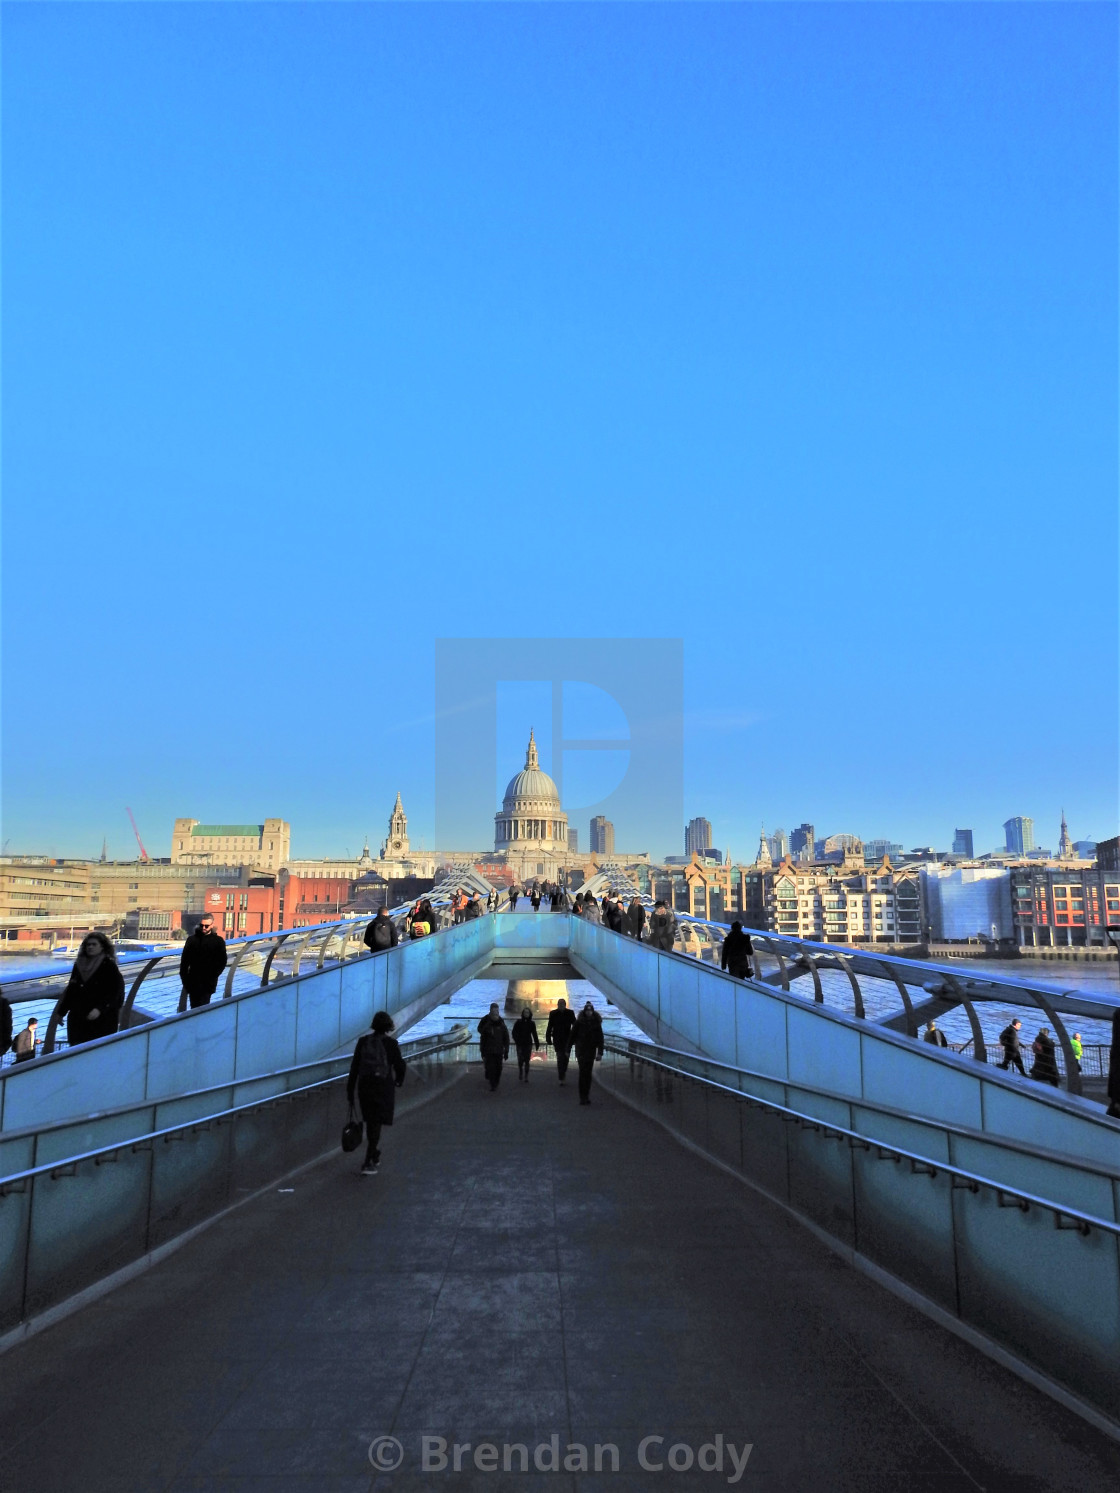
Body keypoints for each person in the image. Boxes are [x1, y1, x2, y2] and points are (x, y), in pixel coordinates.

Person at [346, 1011, 406, 1175]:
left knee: (370, 1121)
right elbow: (400, 1065)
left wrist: (350, 1090)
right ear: (389, 1026)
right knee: (376, 1124)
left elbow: (354, 1067)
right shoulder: (391, 1044)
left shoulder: (363, 1042)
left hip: (364, 1087)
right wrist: (398, 1081)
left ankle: (374, 1153)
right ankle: (367, 1162)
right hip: (383, 1087)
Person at [57, 932, 124, 1048]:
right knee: (76, 1049)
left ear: (102, 947)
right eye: (88, 945)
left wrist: (99, 1009)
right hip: (78, 1018)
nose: (90, 947)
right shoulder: (79, 965)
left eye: (94, 944)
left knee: (98, 1051)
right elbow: (72, 990)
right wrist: (61, 1013)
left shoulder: (109, 966)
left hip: (102, 1019)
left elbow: (115, 992)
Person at [179, 913, 228, 1009]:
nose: (204, 928)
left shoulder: (218, 941)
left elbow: (222, 962)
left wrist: (213, 976)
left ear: (212, 925)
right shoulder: (191, 940)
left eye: (206, 926)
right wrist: (186, 982)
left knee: (203, 1007)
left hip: (208, 983)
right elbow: (184, 963)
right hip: (193, 982)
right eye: (202, 925)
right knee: (196, 1009)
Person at [573, 1000, 605, 1105]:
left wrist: (600, 1052)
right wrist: (568, 1049)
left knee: (588, 1074)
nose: (588, 1012)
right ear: (584, 1011)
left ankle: (586, 1095)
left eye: (590, 1010)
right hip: (581, 1051)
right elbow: (572, 1036)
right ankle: (582, 1096)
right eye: (587, 1011)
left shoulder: (596, 1024)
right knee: (583, 1073)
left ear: (592, 1011)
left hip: (591, 1051)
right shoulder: (578, 1023)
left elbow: (600, 1039)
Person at [477, 1002, 510, 1091]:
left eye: (497, 1010)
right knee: (490, 1066)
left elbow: (506, 1037)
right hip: (489, 1049)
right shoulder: (485, 1021)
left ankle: (495, 1080)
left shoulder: (501, 1023)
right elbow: (480, 1031)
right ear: (491, 1010)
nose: (495, 1012)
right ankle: (493, 1084)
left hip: (499, 1049)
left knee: (499, 1067)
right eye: (494, 1010)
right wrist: (486, 1035)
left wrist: (506, 1049)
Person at [545, 997, 577, 1084]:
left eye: (562, 1005)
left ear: (565, 1005)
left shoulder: (570, 1013)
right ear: (557, 1005)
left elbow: (575, 1025)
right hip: (557, 1039)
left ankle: (563, 1072)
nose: (561, 1006)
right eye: (560, 1005)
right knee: (559, 1058)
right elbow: (550, 1026)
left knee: (566, 1058)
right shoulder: (553, 1013)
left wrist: (575, 1037)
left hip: (568, 1039)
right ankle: (561, 1077)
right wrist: (548, 1038)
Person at [511, 1005, 540, 1082]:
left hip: (528, 1044)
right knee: (520, 1060)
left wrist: (537, 1043)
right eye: (525, 1012)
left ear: (530, 1014)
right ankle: (520, 1071)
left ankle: (526, 1076)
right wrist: (516, 1040)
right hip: (520, 1044)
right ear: (523, 1013)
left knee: (527, 1061)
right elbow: (514, 1032)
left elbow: (534, 1034)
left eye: (527, 1012)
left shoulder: (532, 1023)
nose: (526, 1014)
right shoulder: (518, 1022)